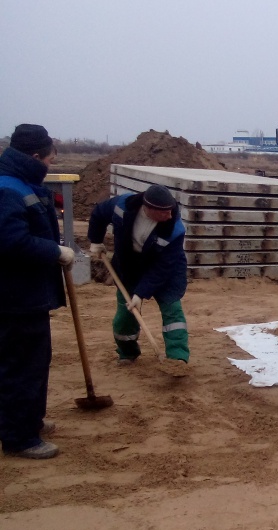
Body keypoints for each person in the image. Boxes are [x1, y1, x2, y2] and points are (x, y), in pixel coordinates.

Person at [0, 124, 74, 459]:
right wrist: (54, 251)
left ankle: (29, 421)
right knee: (22, 366)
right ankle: (20, 437)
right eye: (49, 159)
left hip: (26, 294)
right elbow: (10, 241)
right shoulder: (8, 190)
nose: (50, 165)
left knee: (34, 361)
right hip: (14, 297)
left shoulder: (21, 183)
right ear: (34, 156)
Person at [87, 184, 191, 375]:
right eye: (164, 212)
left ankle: (177, 358)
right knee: (125, 314)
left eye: (170, 210)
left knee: (172, 311)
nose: (170, 215)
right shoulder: (122, 206)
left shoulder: (174, 228)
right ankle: (127, 353)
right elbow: (99, 213)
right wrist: (96, 240)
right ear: (148, 208)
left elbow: (162, 268)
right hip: (129, 266)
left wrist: (141, 293)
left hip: (166, 269)